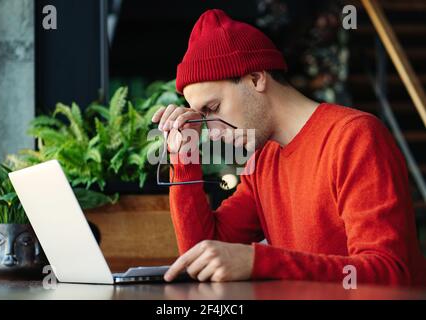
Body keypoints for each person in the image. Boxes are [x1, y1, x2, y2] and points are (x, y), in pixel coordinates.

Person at [152, 9, 426, 286]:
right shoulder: (263, 161)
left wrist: (260, 261)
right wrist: (184, 155)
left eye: (213, 109)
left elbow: (389, 273)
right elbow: (200, 255)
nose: (211, 131)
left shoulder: (354, 137)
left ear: (256, 79)